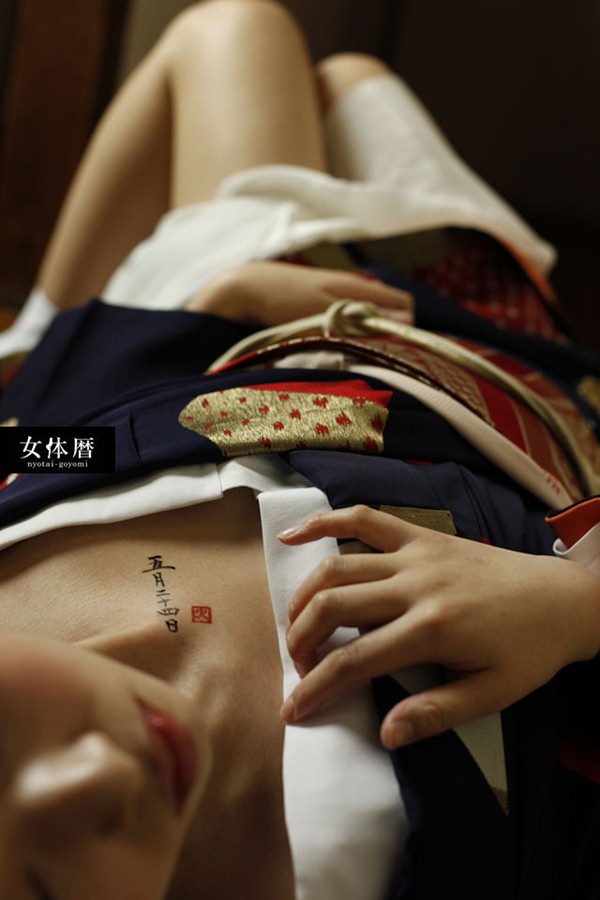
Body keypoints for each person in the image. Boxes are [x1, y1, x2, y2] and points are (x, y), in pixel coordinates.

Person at [0, 1, 599, 897]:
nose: (101, 777)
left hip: (245, 335)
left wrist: (203, 308)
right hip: (503, 383)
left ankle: (30, 338)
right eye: (45, 888)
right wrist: (579, 605)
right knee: (351, 82)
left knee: (236, 27)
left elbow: (66, 449)